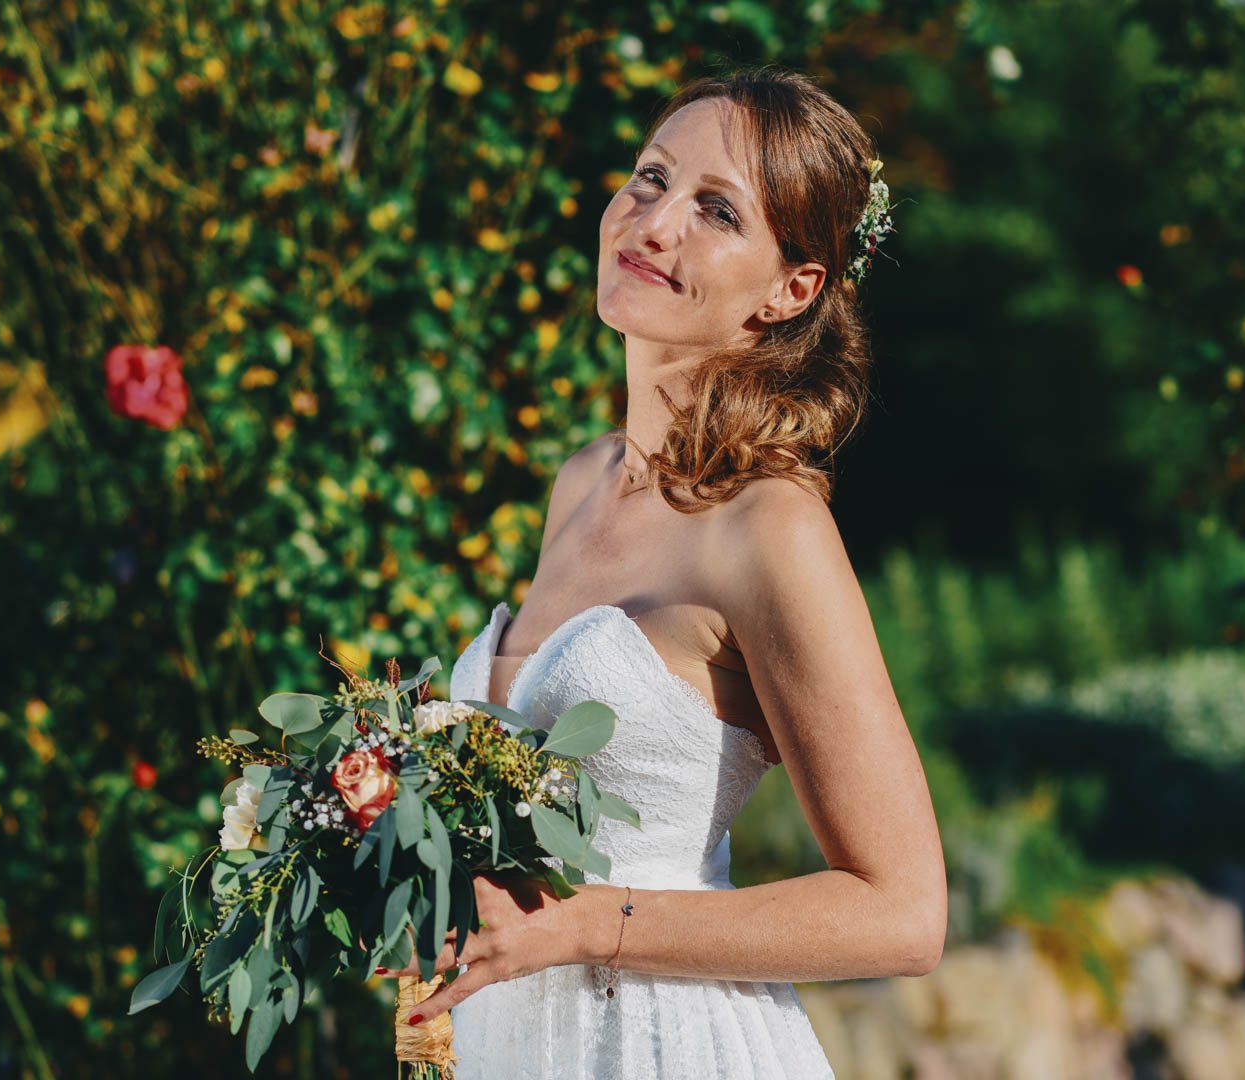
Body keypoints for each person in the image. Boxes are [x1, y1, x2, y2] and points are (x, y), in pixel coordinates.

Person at [378, 65, 947, 1077]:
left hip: (663, 1047)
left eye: (713, 209)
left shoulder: (769, 528)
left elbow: (902, 914)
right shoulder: (585, 480)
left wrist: (586, 925)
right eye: (649, 178)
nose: (652, 223)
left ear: (791, 288)